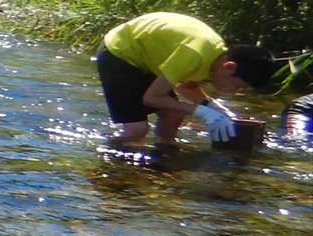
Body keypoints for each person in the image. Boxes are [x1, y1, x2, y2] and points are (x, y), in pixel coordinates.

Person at [95, 12, 281, 145]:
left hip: (148, 55)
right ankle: (103, 150)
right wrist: (202, 113)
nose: (235, 92)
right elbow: (151, 98)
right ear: (229, 67)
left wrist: (213, 107)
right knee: (137, 130)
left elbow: (185, 85)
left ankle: (162, 155)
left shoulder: (213, 58)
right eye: (238, 87)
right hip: (120, 52)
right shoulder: (195, 55)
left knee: (174, 114)